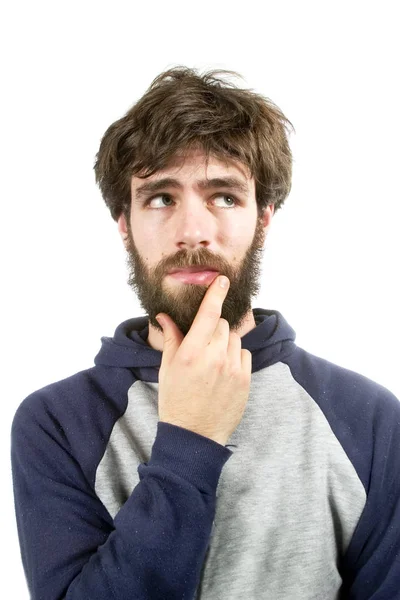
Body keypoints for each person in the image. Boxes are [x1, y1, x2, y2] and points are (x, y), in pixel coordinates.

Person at [10, 66, 400, 600]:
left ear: (264, 218)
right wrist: (190, 441)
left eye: (224, 197)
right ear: (125, 222)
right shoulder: (55, 423)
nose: (193, 231)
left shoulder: (370, 419)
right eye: (161, 198)